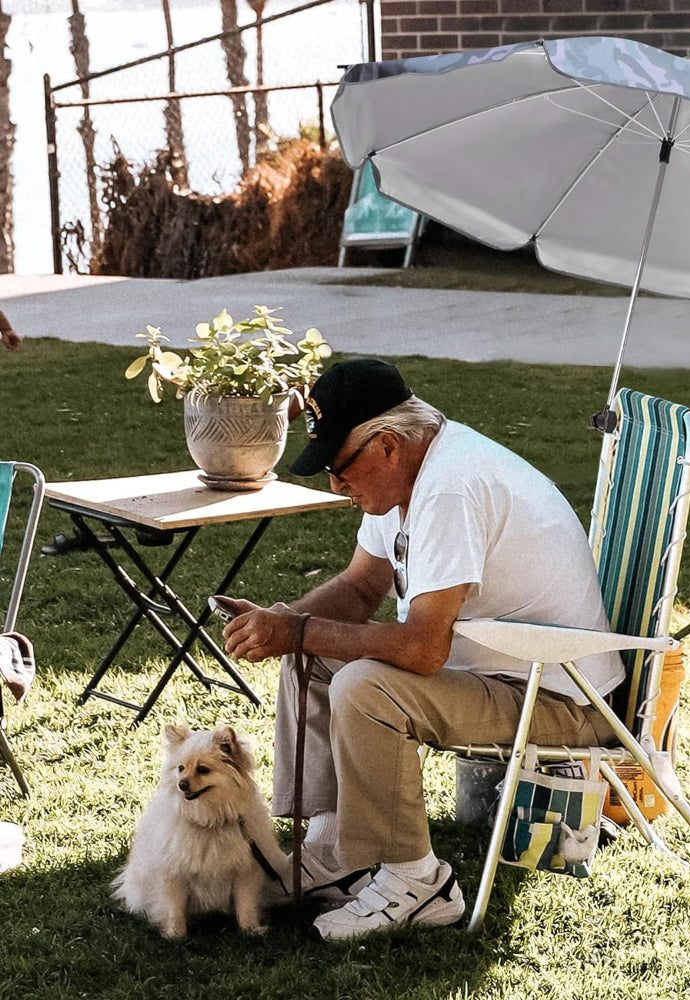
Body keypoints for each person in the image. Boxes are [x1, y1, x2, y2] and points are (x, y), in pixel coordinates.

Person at [222, 358, 623, 941]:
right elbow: (361, 586)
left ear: (386, 445)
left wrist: (297, 631)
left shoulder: (450, 489)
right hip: (502, 670)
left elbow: (422, 650)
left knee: (364, 688)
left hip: (563, 698)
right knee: (313, 651)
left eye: (340, 468)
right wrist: (285, 622)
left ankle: (418, 883)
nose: (336, 485)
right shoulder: (415, 475)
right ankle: (337, 846)